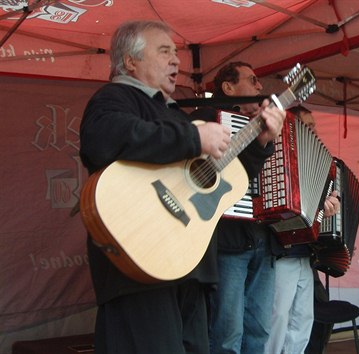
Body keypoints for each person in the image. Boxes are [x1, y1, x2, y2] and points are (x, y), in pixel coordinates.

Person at [79, 22, 285, 354]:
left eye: (177, 53)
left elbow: (226, 182)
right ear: (130, 61)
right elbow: (102, 138)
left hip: (186, 268)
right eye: (164, 51)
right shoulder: (115, 97)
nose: (176, 61)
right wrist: (193, 137)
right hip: (141, 264)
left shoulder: (172, 112)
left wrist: (261, 142)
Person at [205, 61, 288, 354]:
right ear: (228, 88)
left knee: (259, 328)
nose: (259, 86)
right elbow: (222, 180)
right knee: (227, 333)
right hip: (228, 242)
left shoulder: (269, 124)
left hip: (264, 239)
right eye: (252, 80)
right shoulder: (205, 121)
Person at [265, 105, 340, 354]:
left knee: (302, 319)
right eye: (306, 125)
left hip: (306, 253)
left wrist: (330, 206)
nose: (313, 130)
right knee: (277, 320)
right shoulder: (275, 154)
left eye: (313, 125)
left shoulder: (323, 162)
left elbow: (323, 209)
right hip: (281, 250)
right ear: (293, 127)